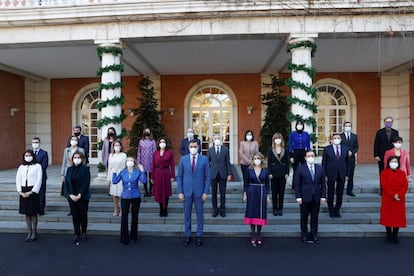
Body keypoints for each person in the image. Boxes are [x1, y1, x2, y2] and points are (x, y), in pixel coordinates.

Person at [177, 139, 210, 246]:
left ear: (199, 147)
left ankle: (199, 235)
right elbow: (180, 176)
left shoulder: (204, 159)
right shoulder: (183, 159)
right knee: (187, 215)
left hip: (199, 192)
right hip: (186, 191)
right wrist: (180, 191)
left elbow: (208, 176)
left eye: (194, 146)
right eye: (191, 147)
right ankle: (187, 235)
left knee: (200, 215)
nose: (193, 148)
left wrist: (206, 192)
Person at [112, 157, 147, 245]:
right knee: (124, 217)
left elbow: (144, 180)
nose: (129, 162)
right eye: (128, 161)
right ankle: (124, 238)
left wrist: (142, 171)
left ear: (134, 162)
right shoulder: (123, 172)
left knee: (135, 216)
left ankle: (134, 236)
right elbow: (115, 181)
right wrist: (114, 172)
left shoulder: (137, 171)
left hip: (135, 195)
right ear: (126, 162)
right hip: (125, 196)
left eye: (131, 161)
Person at [294, 150, 326, 244]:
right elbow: (297, 184)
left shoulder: (320, 168)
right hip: (304, 197)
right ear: (305, 158)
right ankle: (304, 234)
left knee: (314, 217)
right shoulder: (300, 168)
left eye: (312, 156)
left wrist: (323, 196)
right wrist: (298, 196)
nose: (310, 157)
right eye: (309, 156)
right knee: (304, 217)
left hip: (316, 196)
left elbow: (323, 184)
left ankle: (314, 234)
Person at [243, 152, 270, 247]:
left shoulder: (265, 170)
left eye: (258, 158)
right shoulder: (249, 170)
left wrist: (267, 196)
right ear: (252, 160)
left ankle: (259, 234)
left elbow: (267, 184)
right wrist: (245, 194)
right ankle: (253, 234)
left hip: (261, 191)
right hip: (251, 191)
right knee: (252, 212)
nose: (257, 160)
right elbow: (246, 183)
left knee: (260, 213)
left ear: (261, 159)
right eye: (255, 158)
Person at [380, 156, 408, 243]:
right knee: (388, 217)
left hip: (399, 199)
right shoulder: (384, 172)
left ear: (398, 163)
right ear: (388, 163)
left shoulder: (402, 173)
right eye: (391, 161)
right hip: (388, 198)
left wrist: (399, 194)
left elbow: (405, 185)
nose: (393, 163)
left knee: (397, 217)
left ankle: (395, 235)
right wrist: (393, 195)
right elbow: (384, 185)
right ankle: (388, 234)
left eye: (395, 161)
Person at [16, 150, 43, 242]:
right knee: (27, 213)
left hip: (33, 191)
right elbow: (18, 179)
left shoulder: (37, 166)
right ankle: (29, 232)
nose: (28, 157)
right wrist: (20, 191)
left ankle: (34, 232)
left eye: (29, 155)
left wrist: (32, 192)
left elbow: (39, 180)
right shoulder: (21, 167)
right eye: (26, 155)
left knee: (33, 213)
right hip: (23, 190)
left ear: (33, 156)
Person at [64, 152, 90, 245]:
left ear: (82, 159)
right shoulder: (69, 169)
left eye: (78, 157)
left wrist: (80, 194)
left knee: (83, 215)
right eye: (75, 157)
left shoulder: (85, 169)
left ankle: (84, 233)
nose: (76, 159)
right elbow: (66, 183)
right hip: (71, 196)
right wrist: (70, 194)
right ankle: (76, 233)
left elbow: (86, 183)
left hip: (82, 196)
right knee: (75, 216)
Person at [322, 133, 350, 218]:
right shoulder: (327, 149)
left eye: (338, 138)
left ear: (341, 140)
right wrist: (325, 175)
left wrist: (347, 175)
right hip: (330, 174)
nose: (336, 139)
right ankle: (331, 210)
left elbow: (348, 163)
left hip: (342, 173)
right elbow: (324, 163)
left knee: (340, 193)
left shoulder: (345, 149)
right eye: (335, 138)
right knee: (330, 193)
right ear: (331, 140)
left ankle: (337, 209)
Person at [208, 134, 232, 217]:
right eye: (215, 138)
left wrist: (229, 174)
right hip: (213, 174)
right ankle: (215, 209)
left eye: (218, 138)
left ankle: (222, 209)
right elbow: (208, 162)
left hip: (223, 173)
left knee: (222, 193)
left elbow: (228, 162)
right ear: (213, 140)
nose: (217, 140)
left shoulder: (225, 149)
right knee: (213, 193)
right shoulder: (210, 150)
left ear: (221, 139)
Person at [152, 137, 175, 217]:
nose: (162, 143)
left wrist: (172, 176)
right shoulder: (155, 153)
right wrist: (152, 177)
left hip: (166, 173)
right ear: (158, 143)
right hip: (157, 173)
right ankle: (161, 209)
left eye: (163, 142)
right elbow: (153, 166)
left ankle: (165, 209)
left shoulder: (169, 153)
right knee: (159, 191)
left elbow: (172, 165)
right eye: (161, 142)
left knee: (166, 191)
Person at [267, 132, 289, 216]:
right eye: (276, 138)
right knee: (274, 192)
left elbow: (287, 162)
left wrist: (287, 172)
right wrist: (269, 173)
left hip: (282, 173)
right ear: (273, 140)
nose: (277, 140)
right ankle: (275, 208)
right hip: (273, 173)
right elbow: (268, 162)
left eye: (279, 138)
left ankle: (280, 209)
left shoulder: (285, 149)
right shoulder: (270, 149)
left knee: (281, 192)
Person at [288, 120, 311, 190]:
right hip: (295, 152)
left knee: (304, 169)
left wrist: (309, 154)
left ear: (303, 126)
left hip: (304, 152)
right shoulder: (292, 134)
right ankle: (294, 187)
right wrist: (291, 156)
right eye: (298, 124)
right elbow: (290, 145)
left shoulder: (306, 134)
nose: (299, 126)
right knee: (296, 170)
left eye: (301, 124)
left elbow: (308, 145)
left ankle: (304, 185)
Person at [61, 136, 85, 200]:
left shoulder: (81, 150)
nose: (74, 141)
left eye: (75, 140)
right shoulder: (67, 150)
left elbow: (83, 161)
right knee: (68, 185)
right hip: (68, 169)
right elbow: (64, 162)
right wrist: (62, 174)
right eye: (72, 139)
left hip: (77, 169)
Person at [107, 140, 127, 216]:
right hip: (113, 174)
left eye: (118, 145)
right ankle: (116, 208)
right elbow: (109, 167)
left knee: (121, 192)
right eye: (115, 145)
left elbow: (126, 166)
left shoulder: (124, 155)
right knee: (114, 193)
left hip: (121, 174)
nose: (117, 147)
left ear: (121, 146)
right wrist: (108, 178)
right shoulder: (111, 155)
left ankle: (122, 209)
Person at [340, 121, 359, 197]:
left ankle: (349, 190)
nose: (348, 127)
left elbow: (356, 147)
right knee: (342, 175)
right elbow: (339, 146)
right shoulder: (340, 136)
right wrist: (345, 152)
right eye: (346, 126)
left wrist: (352, 152)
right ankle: (340, 189)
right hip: (342, 159)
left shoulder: (354, 136)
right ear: (343, 127)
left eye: (349, 126)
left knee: (351, 175)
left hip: (351, 158)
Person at [32, 137, 49, 215]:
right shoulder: (30, 153)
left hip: (41, 176)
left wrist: (36, 171)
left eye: (36, 142)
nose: (35, 144)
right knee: (33, 193)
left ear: (39, 143)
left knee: (41, 193)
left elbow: (44, 165)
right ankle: (34, 208)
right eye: (33, 142)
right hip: (31, 177)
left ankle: (41, 209)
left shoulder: (44, 153)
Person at [137, 128, 156, 197]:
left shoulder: (153, 141)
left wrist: (155, 161)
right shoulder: (141, 141)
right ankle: (145, 191)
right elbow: (139, 151)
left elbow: (155, 151)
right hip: (143, 161)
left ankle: (150, 190)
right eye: (146, 132)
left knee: (151, 177)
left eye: (148, 132)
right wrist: (138, 162)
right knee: (144, 177)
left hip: (151, 161)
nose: (147, 133)